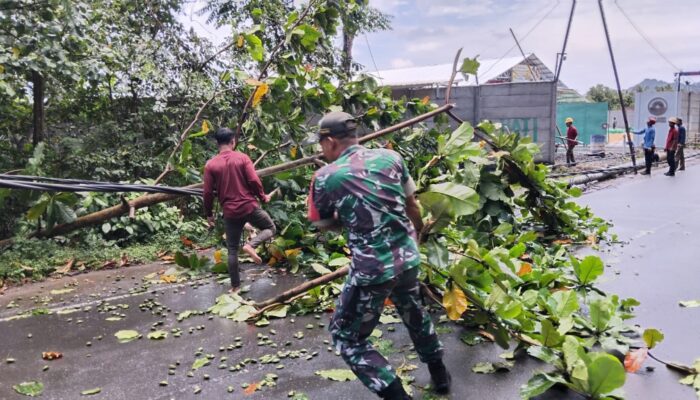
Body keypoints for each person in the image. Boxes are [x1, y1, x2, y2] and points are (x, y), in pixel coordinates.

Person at [307, 111, 449, 400]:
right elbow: (413, 207)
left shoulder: (324, 177)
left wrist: (348, 215)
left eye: (321, 144)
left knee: (346, 337)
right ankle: (440, 376)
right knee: (414, 312)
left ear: (331, 142)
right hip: (408, 258)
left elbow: (321, 223)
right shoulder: (391, 158)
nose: (322, 151)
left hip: (373, 269)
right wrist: (417, 238)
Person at [203, 127, 276, 293]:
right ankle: (251, 245)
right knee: (270, 228)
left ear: (217, 143)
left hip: (230, 212)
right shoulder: (242, 158)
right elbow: (253, 180)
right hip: (249, 206)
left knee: (232, 250)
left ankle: (235, 287)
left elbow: (207, 193)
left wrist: (208, 214)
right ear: (233, 141)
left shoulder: (210, 165)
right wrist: (263, 196)